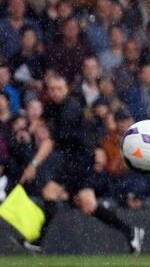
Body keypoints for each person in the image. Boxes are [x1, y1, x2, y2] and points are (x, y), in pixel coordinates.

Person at [32, 74, 143, 253]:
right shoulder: (55, 105)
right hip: (74, 160)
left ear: (66, 89)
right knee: (88, 204)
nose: (55, 92)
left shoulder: (70, 108)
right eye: (52, 89)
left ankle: (37, 241)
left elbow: (52, 140)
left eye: (59, 88)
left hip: (80, 161)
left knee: (49, 193)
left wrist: (34, 164)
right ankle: (130, 232)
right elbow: (44, 120)